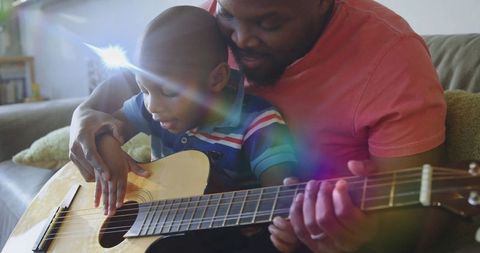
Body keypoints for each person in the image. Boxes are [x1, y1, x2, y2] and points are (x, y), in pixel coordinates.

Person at [70, 0, 447, 252]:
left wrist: (366, 239)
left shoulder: (392, 58)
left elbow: (422, 224)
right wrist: (85, 118)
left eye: (268, 22)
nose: (239, 39)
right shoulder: (215, 16)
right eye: (228, 17)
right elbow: (143, 75)